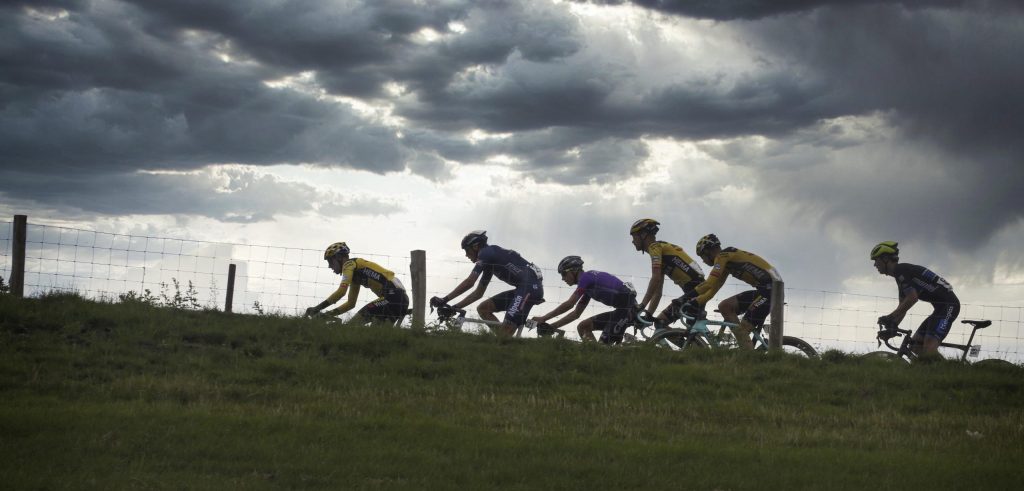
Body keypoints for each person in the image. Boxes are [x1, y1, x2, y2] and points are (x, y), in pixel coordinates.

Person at [431, 231, 544, 336]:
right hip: (526, 288)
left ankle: (502, 345)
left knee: (506, 332)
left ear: (475, 246)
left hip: (528, 289)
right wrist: (454, 308)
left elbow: (470, 282)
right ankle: (501, 343)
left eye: (467, 250)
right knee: (484, 308)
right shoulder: (490, 261)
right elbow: (478, 293)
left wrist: (445, 299)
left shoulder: (486, 253)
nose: (466, 255)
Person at [682, 234, 781, 349]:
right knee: (725, 306)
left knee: (742, 330)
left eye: (702, 256)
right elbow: (712, 290)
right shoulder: (727, 261)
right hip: (767, 290)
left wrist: (684, 298)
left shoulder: (723, 256)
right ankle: (743, 344)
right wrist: (696, 302)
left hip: (771, 292)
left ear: (708, 251)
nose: (703, 261)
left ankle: (748, 358)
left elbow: (708, 283)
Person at [871, 241, 959, 357]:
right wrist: (893, 326)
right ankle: (934, 371)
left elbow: (912, 298)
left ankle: (950, 373)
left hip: (949, 306)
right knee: (915, 346)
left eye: (876, 260)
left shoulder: (901, 272)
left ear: (886, 258)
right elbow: (903, 306)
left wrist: (890, 317)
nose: (875, 265)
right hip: (940, 309)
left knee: (928, 348)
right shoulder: (901, 275)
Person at [531, 256, 638, 344]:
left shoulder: (586, 278)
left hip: (628, 309)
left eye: (563, 274)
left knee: (603, 351)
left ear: (573, 270)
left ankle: (598, 353)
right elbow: (576, 314)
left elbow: (570, 304)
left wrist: (544, 318)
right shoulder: (588, 288)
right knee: (583, 327)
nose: (563, 278)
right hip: (622, 310)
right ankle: (593, 350)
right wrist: (552, 327)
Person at [304, 242, 409, 326]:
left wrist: (317, 309)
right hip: (400, 299)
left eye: (330, 262)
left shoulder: (349, 264)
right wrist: (328, 315)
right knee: (377, 336)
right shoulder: (356, 273)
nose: (329, 266)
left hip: (392, 297)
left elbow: (341, 292)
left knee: (353, 326)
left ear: (340, 258)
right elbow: (351, 304)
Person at [628, 218, 706, 330]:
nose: (632, 241)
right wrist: (648, 315)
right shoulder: (662, 249)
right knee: (670, 326)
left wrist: (642, 305)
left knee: (661, 324)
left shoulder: (655, 247)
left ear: (643, 234)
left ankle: (694, 346)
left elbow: (655, 278)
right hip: (697, 288)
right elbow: (657, 292)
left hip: (695, 290)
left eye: (634, 236)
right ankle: (695, 346)